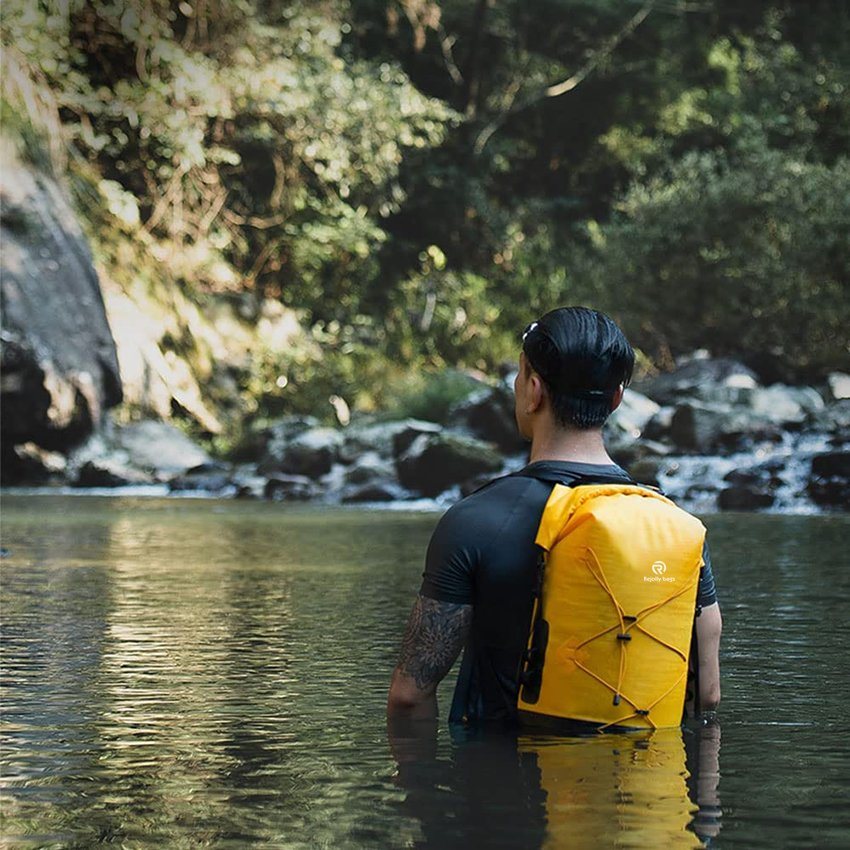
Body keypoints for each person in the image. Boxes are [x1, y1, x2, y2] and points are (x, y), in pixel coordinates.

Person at [387, 306, 722, 725]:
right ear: (617, 398)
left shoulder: (474, 522)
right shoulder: (676, 528)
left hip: (509, 785)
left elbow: (409, 697)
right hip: (652, 785)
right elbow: (707, 694)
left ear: (533, 389)